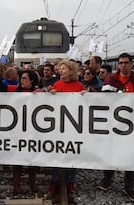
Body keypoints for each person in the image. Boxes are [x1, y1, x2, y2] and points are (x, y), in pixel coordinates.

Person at [97, 53, 134, 202]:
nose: (123, 65)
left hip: (133, 126)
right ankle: (107, 179)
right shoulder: (111, 80)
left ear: (131, 64)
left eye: (126, 63)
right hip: (114, 126)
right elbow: (104, 101)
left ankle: (129, 187)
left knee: (132, 155)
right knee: (111, 152)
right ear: (118, 64)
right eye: (121, 63)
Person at [48, 60, 86, 197]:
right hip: (59, 126)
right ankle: (54, 181)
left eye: (64, 69)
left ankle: (72, 181)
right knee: (58, 153)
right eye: (60, 69)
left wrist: (84, 96)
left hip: (74, 126)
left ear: (71, 71)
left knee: (73, 152)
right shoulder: (56, 85)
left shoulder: (79, 86)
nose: (61, 71)